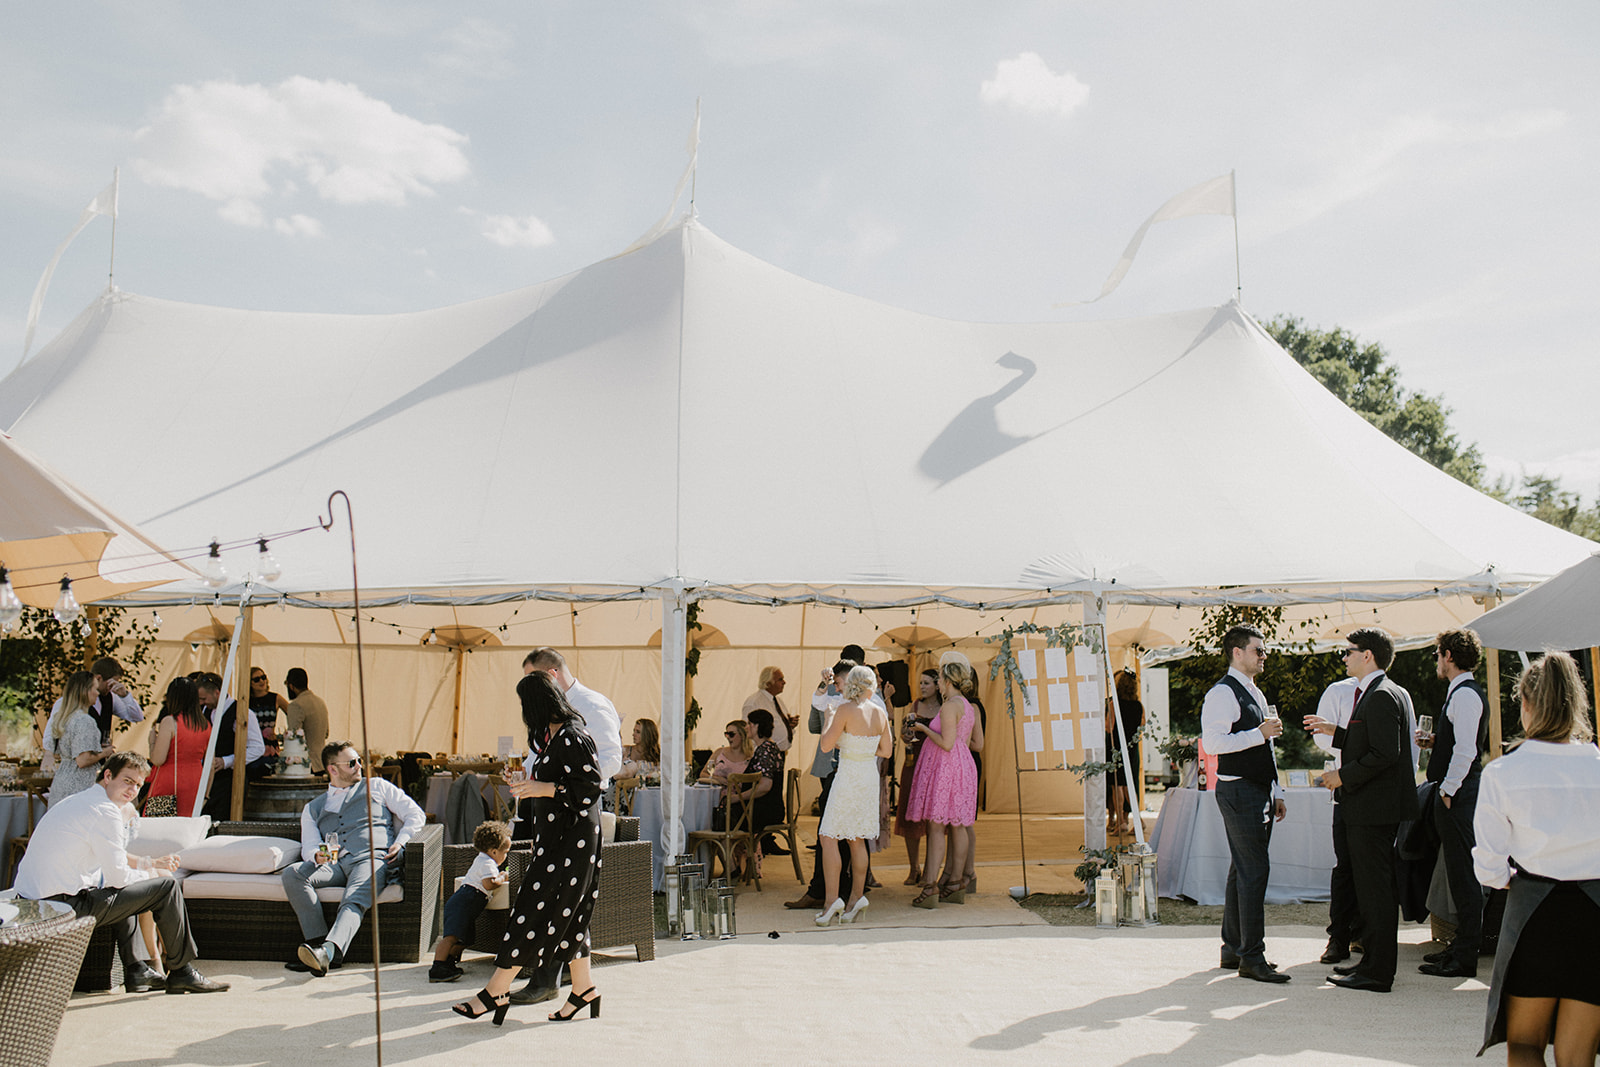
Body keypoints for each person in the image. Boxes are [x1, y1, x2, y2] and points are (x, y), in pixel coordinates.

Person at [453, 671, 604, 1025]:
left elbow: (591, 788)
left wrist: (544, 789)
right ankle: (584, 989)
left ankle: (496, 989)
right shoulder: (551, 738)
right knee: (570, 915)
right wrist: (527, 784)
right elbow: (553, 782)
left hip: (573, 841)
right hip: (558, 840)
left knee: (532, 911)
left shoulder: (571, 736)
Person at [1473, 650, 1600, 1063]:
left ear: (1525, 704)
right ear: (1576, 705)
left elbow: (1489, 866)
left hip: (1534, 916)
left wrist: (1511, 879)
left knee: (1525, 1045)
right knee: (1577, 1059)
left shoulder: (1502, 773)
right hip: (1595, 917)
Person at [14, 752, 229, 994]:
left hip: (31, 902)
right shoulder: (105, 811)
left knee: (118, 894)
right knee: (165, 888)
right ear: (107, 776)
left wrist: (147, 865)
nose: (133, 790)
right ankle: (182, 972)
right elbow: (119, 878)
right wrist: (151, 876)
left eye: (138, 785)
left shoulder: (76, 801)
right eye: (127, 781)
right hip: (59, 908)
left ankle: (137, 970)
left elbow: (113, 863)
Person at [1312, 628, 1418, 994]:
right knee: (1372, 889)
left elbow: (1386, 754)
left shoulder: (1381, 696)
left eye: (1349, 651)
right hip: (1374, 808)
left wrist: (1342, 775)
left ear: (1368, 655)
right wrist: (1337, 733)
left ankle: (1377, 971)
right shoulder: (1384, 692)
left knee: (1376, 892)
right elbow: (1373, 741)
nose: (1344, 658)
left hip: (1373, 809)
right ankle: (1371, 962)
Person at [281, 740, 426, 977]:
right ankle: (316, 945)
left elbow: (415, 815)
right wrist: (317, 855)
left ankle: (327, 952)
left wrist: (401, 841)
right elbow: (309, 846)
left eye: (359, 760)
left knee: (353, 897)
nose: (359, 766)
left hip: (373, 858)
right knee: (293, 874)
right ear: (333, 770)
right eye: (352, 763)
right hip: (335, 863)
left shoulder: (378, 786)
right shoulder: (313, 808)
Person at [1202, 624, 1289, 983]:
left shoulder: (1252, 689)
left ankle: (1234, 949)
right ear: (1238, 652)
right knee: (1254, 871)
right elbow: (1213, 744)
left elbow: (1265, 747)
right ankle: (1252, 957)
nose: (1264, 655)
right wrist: (1258, 733)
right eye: (1258, 650)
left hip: (1257, 789)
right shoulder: (1222, 694)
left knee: (1242, 869)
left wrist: (1276, 789)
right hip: (1238, 791)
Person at [1417, 627, 1491, 979]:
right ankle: (1459, 948)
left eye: (1438, 655)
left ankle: (1465, 957)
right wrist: (1435, 741)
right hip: (1455, 793)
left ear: (1448, 655)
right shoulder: (1460, 693)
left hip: (1459, 796)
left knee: (1464, 876)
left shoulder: (1465, 695)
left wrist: (1446, 790)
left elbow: (1467, 750)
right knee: (1458, 873)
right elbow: (1457, 742)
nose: (1437, 661)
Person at [814, 666, 894, 925]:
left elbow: (827, 744)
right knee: (857, 840)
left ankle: (831, 901)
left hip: (848, 776)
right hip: (868, 777)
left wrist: (829, 718)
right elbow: (886, 751)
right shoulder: (879, 712)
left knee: (828, 837)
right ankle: (856, 898)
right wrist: (860, 747)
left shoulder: (845, 710)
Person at [905, 659, 979, 908]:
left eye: (939, 679)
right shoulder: (968, 706)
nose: (938, 683)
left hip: (947, 767)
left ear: (947, 681)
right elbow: (968, 742)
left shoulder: (949, 707)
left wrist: (924, 730)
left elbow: (946, 743)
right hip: (962, 765)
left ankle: (930, 886)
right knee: (958, 825)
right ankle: (957, 882)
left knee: (936, 828)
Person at [1310, 676, 1362, 965]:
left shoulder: (1391, 693)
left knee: (1372, 869)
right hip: (1345, 787)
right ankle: (1339, 938)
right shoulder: (1339, 691)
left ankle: (1367, 934)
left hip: (1376, 790)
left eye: (1349, 652)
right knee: (1344, 867)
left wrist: (1340, 735)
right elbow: (1321, 736)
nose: (1344, 658)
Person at [521, 648, 622, 786]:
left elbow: (611, 759)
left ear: (551, 675)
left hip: (579, 801)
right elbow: (538, 753)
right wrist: (524, 772)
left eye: (533, 681)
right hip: (546, 800)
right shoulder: (546, 708)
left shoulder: (592, 706)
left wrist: (563, 785)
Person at [429, 820, 512, 982]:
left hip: (466, 905)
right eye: (506, 852)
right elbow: (489, 883)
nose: (506, 855)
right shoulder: (488, 863)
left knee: (466, 938)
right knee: (451, 937)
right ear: (494, 851)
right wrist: (502, 876)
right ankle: (437, 967)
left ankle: (449, 962)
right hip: (463, 903)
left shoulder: (483, 860)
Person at [196, 672, 268, 821]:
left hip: (229, 782)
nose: (202, 702)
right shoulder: (204, 711)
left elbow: (257, 748)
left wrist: (226, 761)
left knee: (223, 822)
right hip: (206, 781)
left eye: (204, 698)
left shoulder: (242, 713)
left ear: (217, 693)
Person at [724, 708, 786, 878]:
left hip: (765, 810)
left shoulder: (765, 750)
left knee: (722, 817)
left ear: (757, 726)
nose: (747, 728)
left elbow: (765, 786)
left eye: (750, 724)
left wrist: (736, 798)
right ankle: (738, 865)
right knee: (725, 814)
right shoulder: (768, 748)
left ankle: (732, 867)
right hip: (766, 807)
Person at [893, 669, 942, 885]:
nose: (922, 686)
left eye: (927, 683)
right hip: (913, 765)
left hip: (936, 766)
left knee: (933, 820)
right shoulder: (914, 706)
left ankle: (932, 869)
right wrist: (907, 728)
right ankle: (914, 868)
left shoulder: (944, 708)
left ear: (937, 685)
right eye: (920, 682)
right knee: (910, 816)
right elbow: (905, 738)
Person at [145, 676, 210, 817]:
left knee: (158, 828)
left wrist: (152, 742)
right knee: (186, 828)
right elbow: (210, 763)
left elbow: (158, 759)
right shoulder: (205, 725)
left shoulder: (170, 721)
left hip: (169, 782)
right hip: (195, 783)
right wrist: (206, 794)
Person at [47, 670, 113, 807]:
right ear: (85, 691)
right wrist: (105, 752)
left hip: (61, 781)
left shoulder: (64, 718)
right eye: (95, 689)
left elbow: (55, 752)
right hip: (78, 785)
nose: (98, 693)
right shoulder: (84, 720)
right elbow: (83, 760)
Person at [1106, 670, 1145, 836]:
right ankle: (1133, 820)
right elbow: (1142, 726)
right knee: (1129, 784)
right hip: (1132, 748)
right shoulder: (1139, 705)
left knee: (1117, 785)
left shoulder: (1114, 704)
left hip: (1117, 748)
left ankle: (1122, 822)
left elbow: (1110, 726)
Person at [283, 668, 330, 773]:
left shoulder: (296, 705)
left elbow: (294, 737)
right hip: (322, 762)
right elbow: (326, 733)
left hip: (305, 764)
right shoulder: (320, 702)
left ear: (291, 686)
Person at [741, 666, 795, 755]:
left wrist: (789, 725)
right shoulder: (754, 702)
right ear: (768, 683)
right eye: (780, 679)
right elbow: (747, 731)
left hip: (778, 753)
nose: (784, 682)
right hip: (763, 754)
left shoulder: (778, 701)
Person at [249, 666, 289, 760]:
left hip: (271, 746)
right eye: (256, 679)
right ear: (250, 683)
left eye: (263, 677)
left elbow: (293, 714)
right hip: (253, 745)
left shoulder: (275, 698)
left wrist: (283, 735)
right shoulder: (246, 701)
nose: (262, 681)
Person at [700, 720, 753, 789]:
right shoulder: (719, 752)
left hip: (736, 798)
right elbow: (703, 774)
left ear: (742, 736)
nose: (728, 737)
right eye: (726, 734)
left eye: (731, 734)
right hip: (715, 796)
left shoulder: (750, 758)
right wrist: (717, 779)